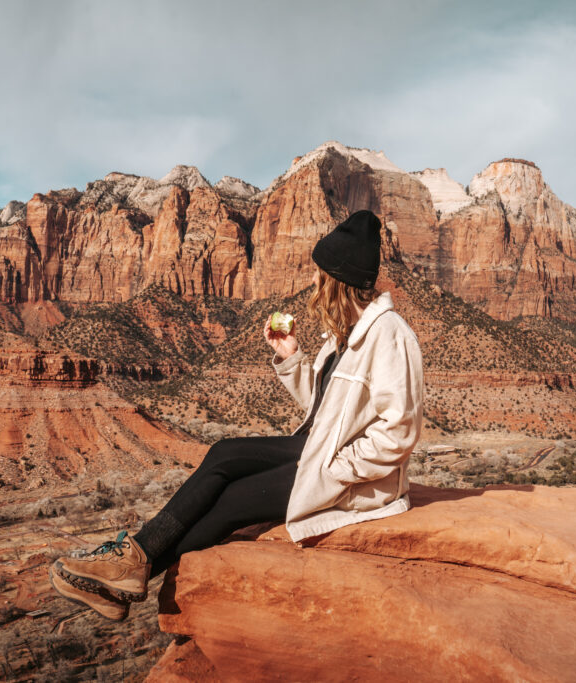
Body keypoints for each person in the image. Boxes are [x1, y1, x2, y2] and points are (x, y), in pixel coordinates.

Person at [49, 209, 425, 621]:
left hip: (348, 477)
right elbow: (326, 410)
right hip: (313, 449)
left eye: (321, 274)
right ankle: (131, 564)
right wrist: (291, 357)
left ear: (337, 280)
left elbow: (399, 431)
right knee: (224, 453)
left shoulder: (390, 333)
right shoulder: (344, 334)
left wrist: (337, 470)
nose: (314, 281)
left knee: (229, 502)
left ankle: (128, 572)